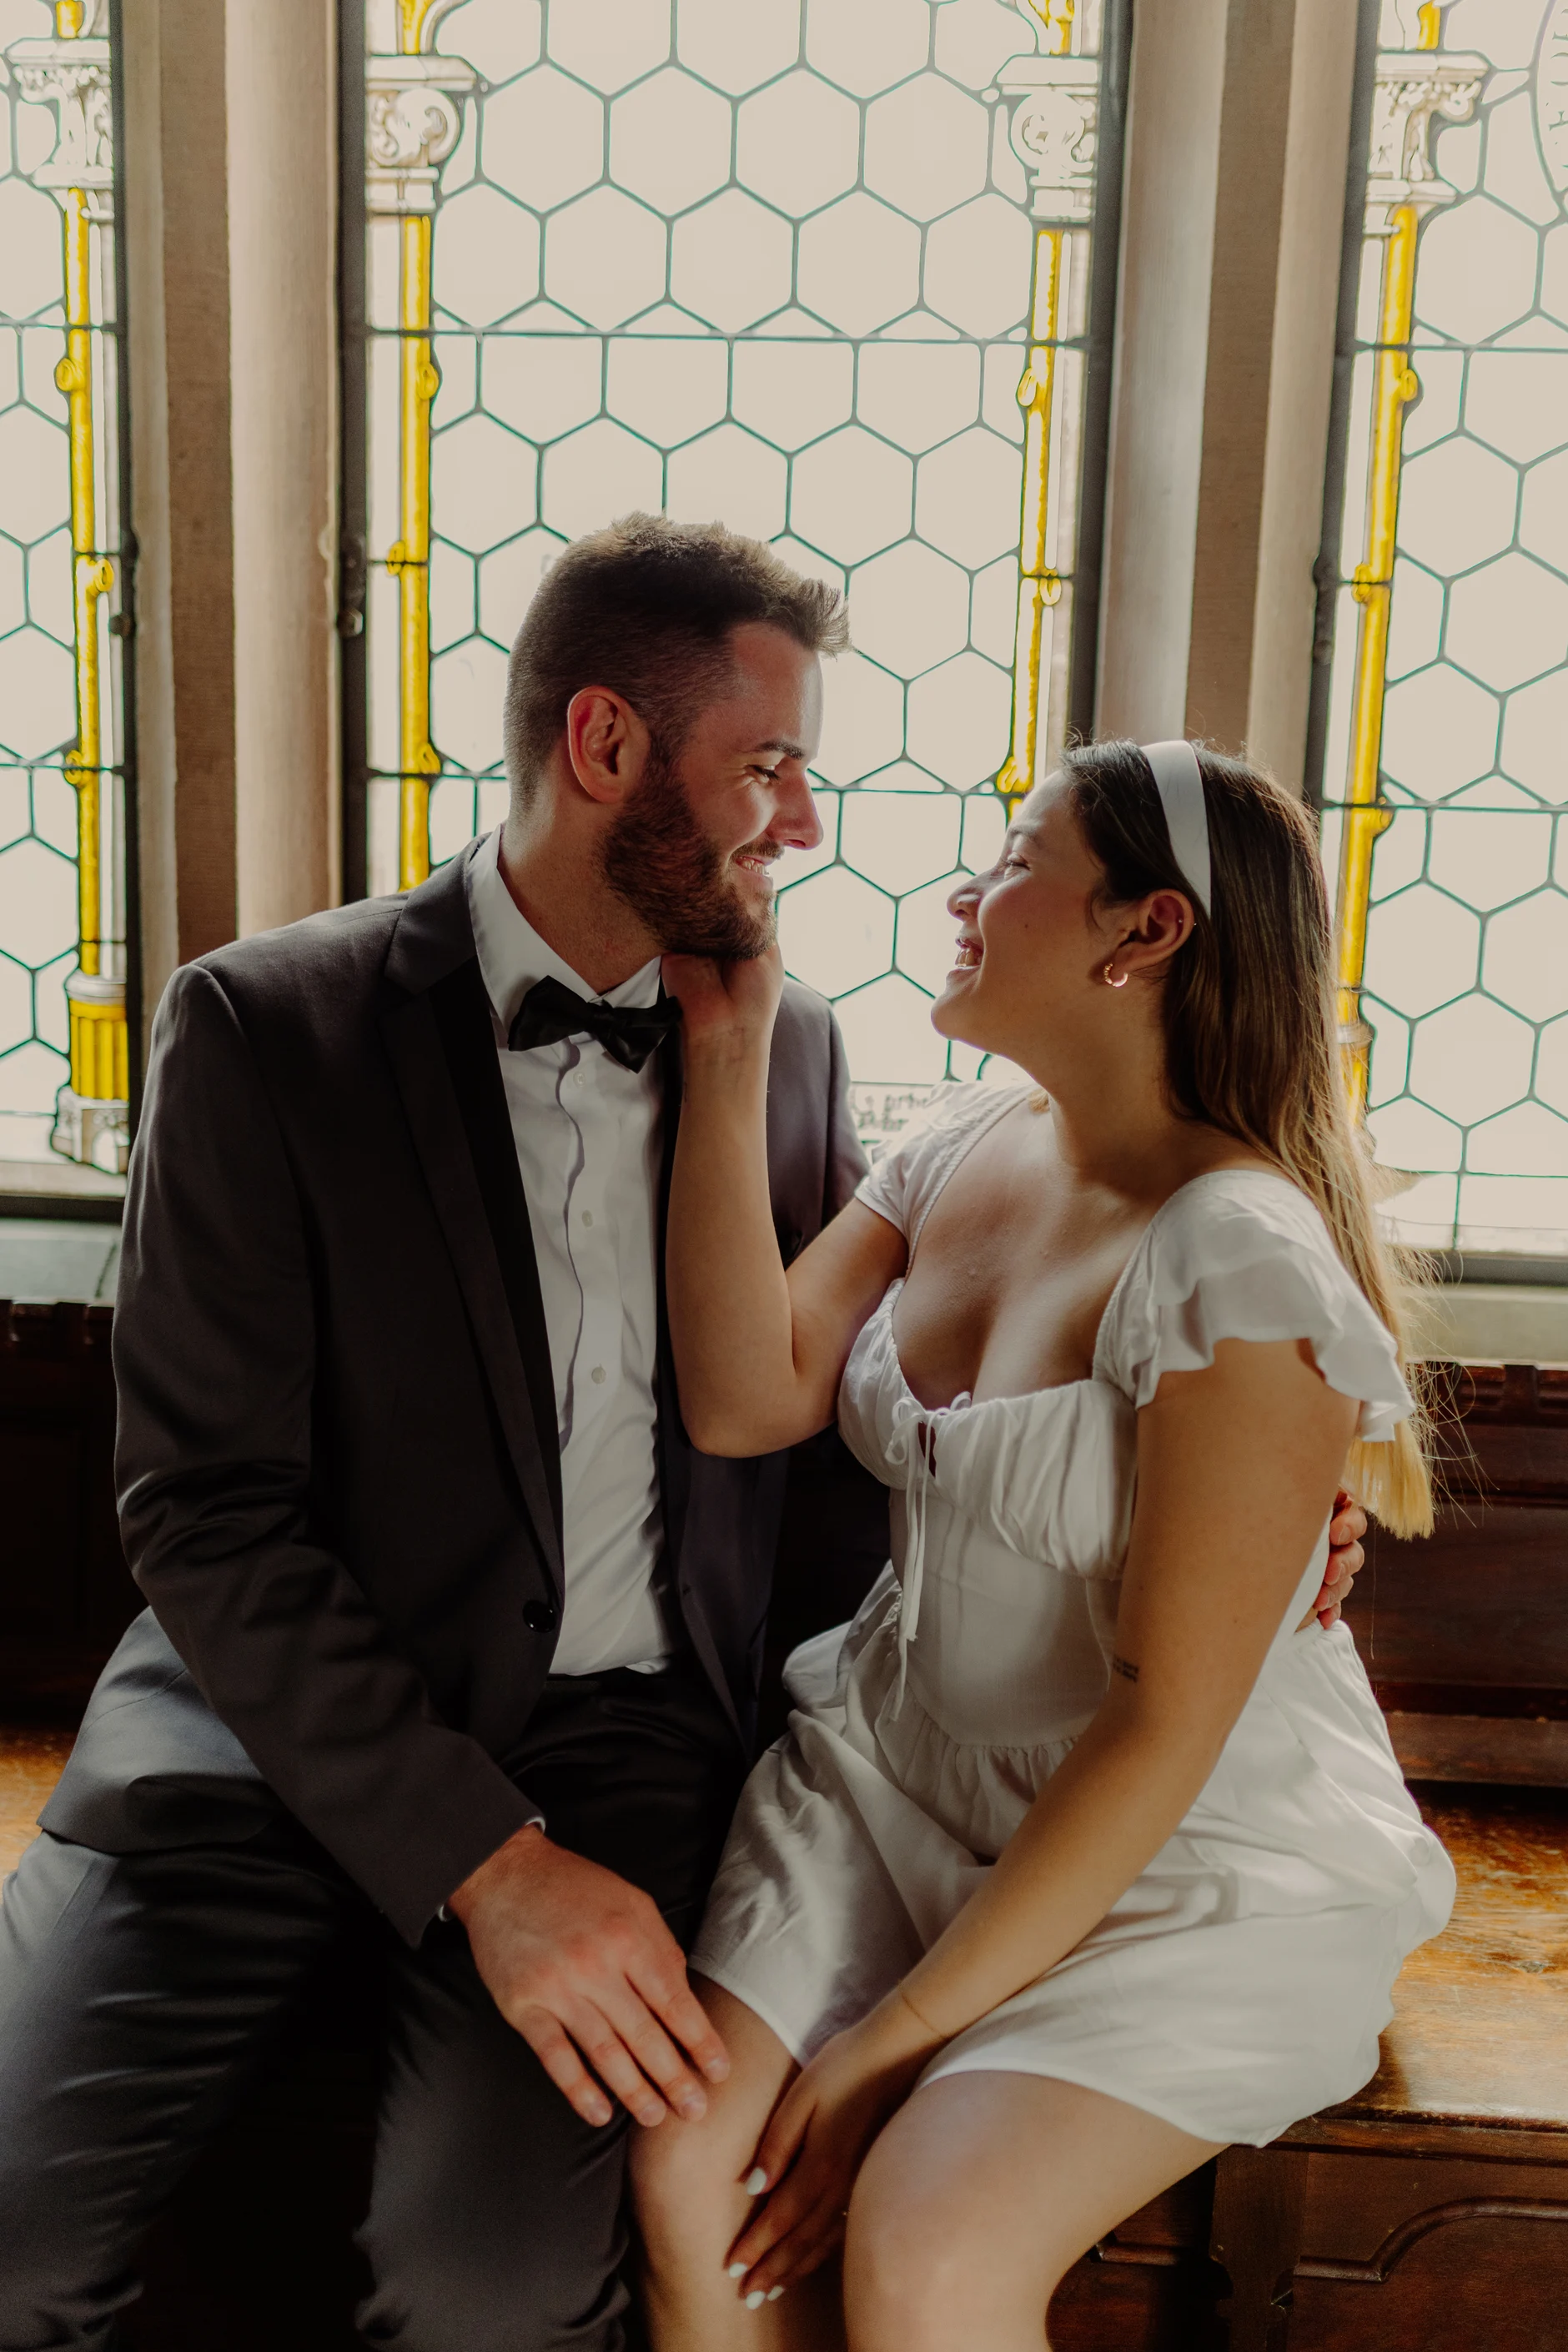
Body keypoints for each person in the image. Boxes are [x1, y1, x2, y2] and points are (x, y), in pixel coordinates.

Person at [0, 518, 1363, 2352]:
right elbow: (207, 1511)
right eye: (771, 769)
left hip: (625, 1756)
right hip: (248, 1765)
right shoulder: (264, 1027)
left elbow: (824, 1431)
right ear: (605, 749)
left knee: (492, 2290)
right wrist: (485, 1864)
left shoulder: (793, 1053)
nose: (805, 825)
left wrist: (1248, 1531)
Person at [632, 738, 1455, 2352]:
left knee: (929, 2239)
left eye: (1014, 860)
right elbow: (748, 1396)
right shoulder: (964, 1143)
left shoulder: (1239, 1262)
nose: (966, 890)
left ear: (1143, 933)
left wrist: (893, 2047)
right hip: (887, 1774)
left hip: (1178, 1849)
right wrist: (725, 1052)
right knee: (684, 2175)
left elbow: (1161, 1726)